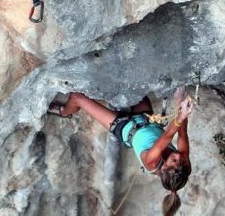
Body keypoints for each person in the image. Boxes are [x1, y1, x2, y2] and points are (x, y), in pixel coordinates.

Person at [48, 88, 193, 216]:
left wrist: (180, 116)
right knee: (132, 85)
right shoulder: (184, 166)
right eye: (181, 160)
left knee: (76, 97)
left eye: (174, 160)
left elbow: (167, 136)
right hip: (145, 118)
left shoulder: (152, 162)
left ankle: (64, 111)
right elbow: (182, 134)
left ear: (164, 167)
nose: (179, 156)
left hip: (123, 126)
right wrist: (180, 104)